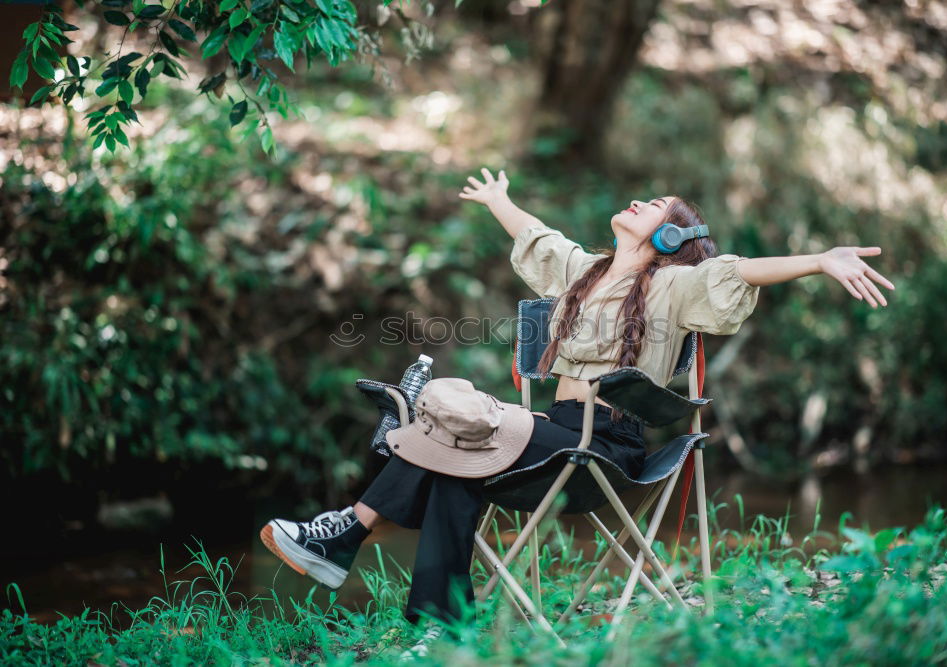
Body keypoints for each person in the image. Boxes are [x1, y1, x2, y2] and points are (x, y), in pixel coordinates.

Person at [259, 167, 894, 641]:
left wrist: (818, 260)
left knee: (451, 424)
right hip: (552, 433)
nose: (639, 201)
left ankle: (349, 525)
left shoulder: (673, 285)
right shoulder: (584, 273)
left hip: (602, 448)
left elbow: (738, 270)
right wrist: (500, 201)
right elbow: (541, 241)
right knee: (457, 466)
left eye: (656, 206)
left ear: (671, 234)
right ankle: (445, 625)